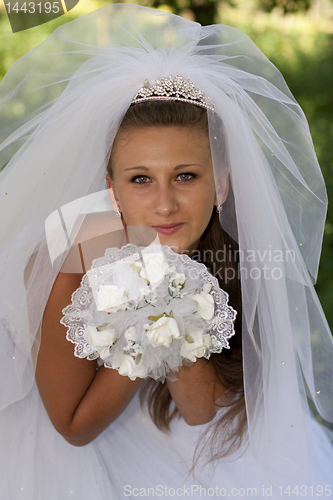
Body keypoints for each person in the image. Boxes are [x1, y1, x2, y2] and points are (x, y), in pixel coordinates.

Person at [0, 4, 332, 499]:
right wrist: (155, 314)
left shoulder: (235, 250)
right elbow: (71, 424)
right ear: (111, 189)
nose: (164, 203)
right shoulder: (71, 252)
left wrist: (176, 303)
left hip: (159, 415)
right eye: (140, 179)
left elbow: (203, 412)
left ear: (220, 184)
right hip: (52, 431)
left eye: (185, 176)